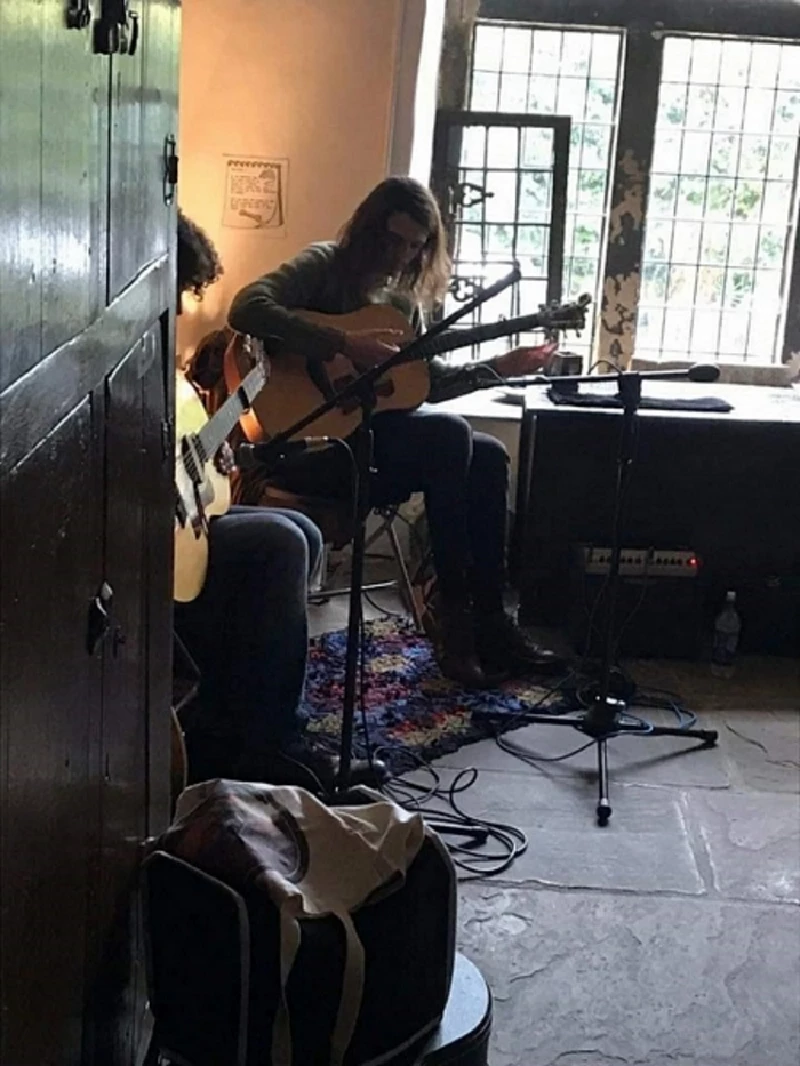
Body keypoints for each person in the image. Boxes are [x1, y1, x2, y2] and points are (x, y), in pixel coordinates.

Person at [227, 176, 567, 688]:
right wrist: (341, 342)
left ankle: (492, 622)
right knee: (451, 437)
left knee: (491, 453)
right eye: (392, 240)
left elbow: (422, 387)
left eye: (415, 246)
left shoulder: (403, 304)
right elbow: (247, 306)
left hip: (375, 446)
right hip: (310, 447)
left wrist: (500, 365)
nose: (402, 255)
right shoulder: (323, 267)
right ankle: (454, 622)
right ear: (368, 228)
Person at [173, 209, 381, 788]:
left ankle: (246, 717)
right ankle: (269, 744)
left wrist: (208, 463)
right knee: (283, 538)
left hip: (170, 515)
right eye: (181, 289)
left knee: (302, 531)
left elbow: (183, 454)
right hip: (132, 533)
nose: (184, 306)